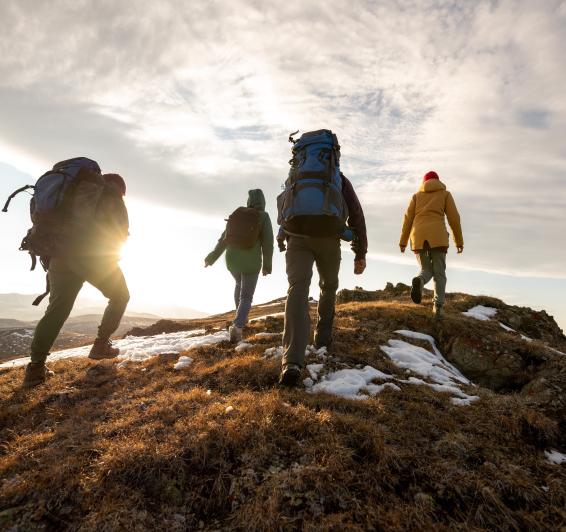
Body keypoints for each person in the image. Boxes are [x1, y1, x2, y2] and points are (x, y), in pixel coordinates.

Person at [23, 172, 130, 388]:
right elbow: (119, 233)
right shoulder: (110, 195)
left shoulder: (70, 195)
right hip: (92, 257)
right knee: (120, 296)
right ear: (119, 188)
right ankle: (100, 345)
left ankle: (35, 368)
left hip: (58, 257)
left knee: (56, 310)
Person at [278, 172, 367, 386]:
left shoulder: (297, 175)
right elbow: (356, 214)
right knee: (328, 286)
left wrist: (282, 236)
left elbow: (286, 207)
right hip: (328, 239)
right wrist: (360, 253)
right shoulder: (338, 179)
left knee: (297, 289)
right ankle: (322, 340)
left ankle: (292, 362)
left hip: (297, 239)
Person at [205, 189, 274, 343]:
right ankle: (238, 326)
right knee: (246, 296)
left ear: (249, 201)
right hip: (251, 263)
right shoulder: (263, 217)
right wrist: (267, 265)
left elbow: (223, 239)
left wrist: (211, 257)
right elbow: (268, 244)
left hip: (232, 261)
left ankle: (240, 317)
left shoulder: (238, 214)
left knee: (239, 284)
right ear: (263, 202)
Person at [399, 170, 463, 319]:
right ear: (438, 181)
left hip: (418, 237)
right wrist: (458, 241)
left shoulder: (416, 196)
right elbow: (454, 219)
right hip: (438, 237)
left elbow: (407, 219)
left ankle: (420, 281)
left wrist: (403, 241)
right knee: (439, 272)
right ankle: (438, 307)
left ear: (424, 183)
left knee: (425, 268)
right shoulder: (445, 194)